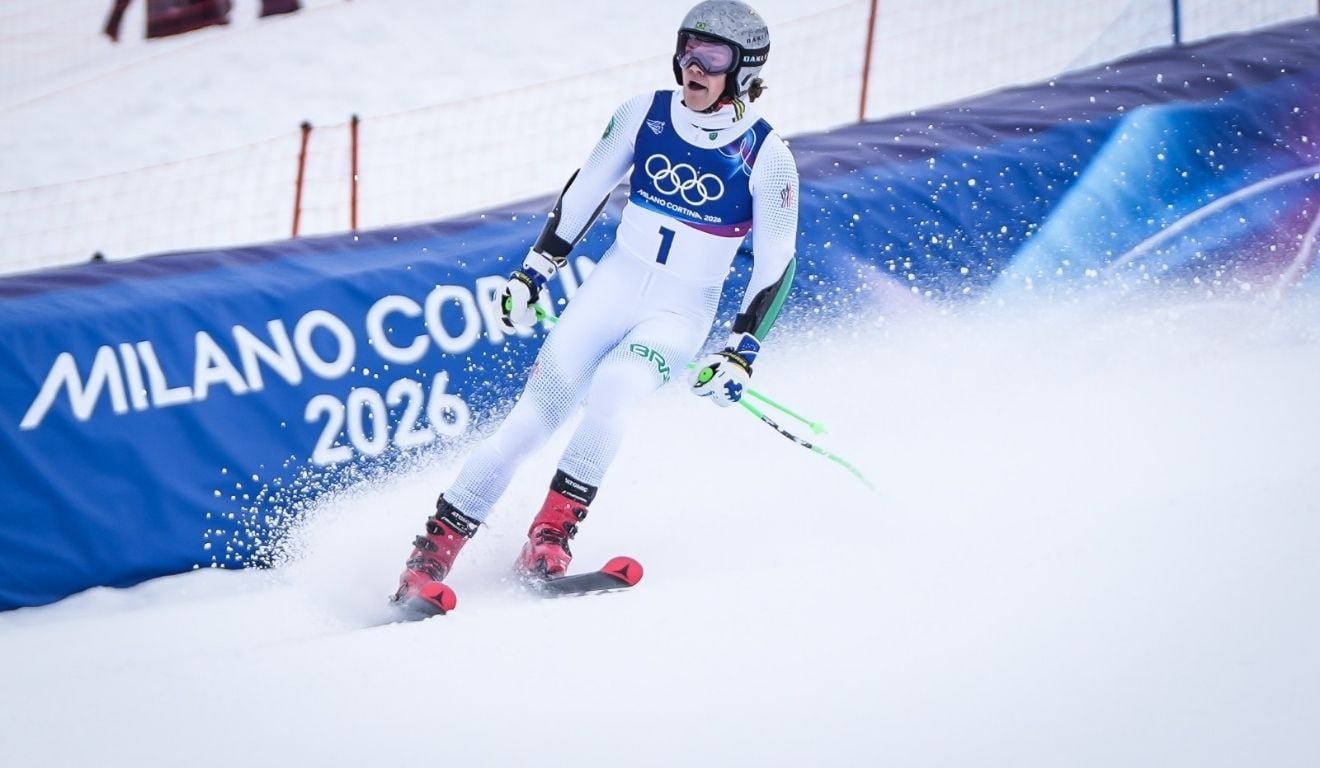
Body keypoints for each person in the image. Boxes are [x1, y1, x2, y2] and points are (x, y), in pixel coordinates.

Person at [391, 0, 800, 615]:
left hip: (677, 317)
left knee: (614, 390)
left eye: (712, 57)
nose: (693, 65)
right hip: (610, 290)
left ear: (744, 70)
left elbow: (777, 263)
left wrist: (743, 349)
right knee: (529, 422)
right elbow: (586, 190)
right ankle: (428, 559)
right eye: (688, 48)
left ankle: (547, 540)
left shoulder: (767, 156)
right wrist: (534, 272)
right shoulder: (644, 114)